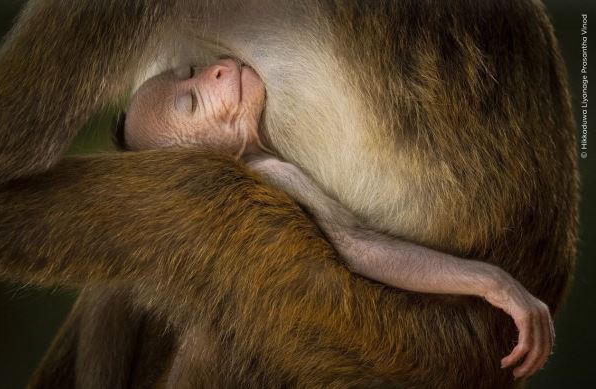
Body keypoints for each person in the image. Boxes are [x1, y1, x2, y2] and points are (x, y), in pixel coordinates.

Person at [119, 58, 554, 372]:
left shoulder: (264, 152)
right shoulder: (268, 176)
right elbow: (359, 249)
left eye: (190, 70)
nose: (212, 71)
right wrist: (492, 283)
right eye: (192, 102)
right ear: (206, 164)